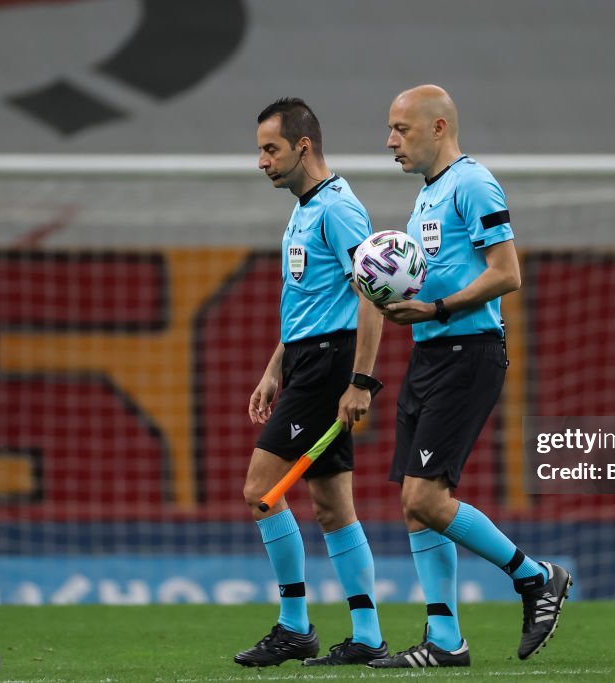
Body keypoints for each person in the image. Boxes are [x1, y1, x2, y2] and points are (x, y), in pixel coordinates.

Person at [366, 84, 571, 669]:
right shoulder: (427, 197)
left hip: (468, 350)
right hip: (431, 353)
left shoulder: (473, 183)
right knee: (414, 504)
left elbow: (507, 274)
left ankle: (535, 578)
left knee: (426, 496)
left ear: (437, 127)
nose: (390, 142)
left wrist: (435, 309)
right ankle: (445, 641)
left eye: (401, 129)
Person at [233, 97, 388, 667]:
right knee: (330, 505)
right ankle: (367, 634)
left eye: (270, 149)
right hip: (305, 360)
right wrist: (275, 369)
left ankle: (294, 624)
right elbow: (307, 302)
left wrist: (361, 381)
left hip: (329, 366)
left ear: (303, 147)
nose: (262, 162)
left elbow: (374, 295)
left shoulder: (340, 209)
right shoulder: (305, 207)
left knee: (261, 492)